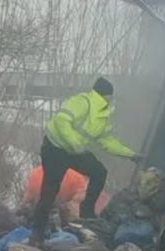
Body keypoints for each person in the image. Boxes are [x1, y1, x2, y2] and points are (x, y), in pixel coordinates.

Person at [31, 77, 138, 241]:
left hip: (75, 151)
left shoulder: (103, 114)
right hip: (55, 149)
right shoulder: (82, 102)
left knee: (99, 172)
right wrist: (75, 144)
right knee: (49, 191)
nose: (112, 99)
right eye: (111, 95)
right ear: (106, 94)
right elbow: (61, 121)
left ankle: (87, 214)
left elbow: (107, 141)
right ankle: (37, 233)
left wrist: (131, 154)